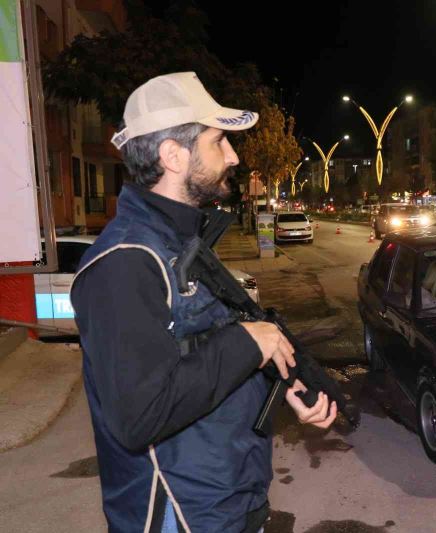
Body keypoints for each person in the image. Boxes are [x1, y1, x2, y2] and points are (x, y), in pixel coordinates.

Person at [70, 72, 336, 533]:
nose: (233, 156)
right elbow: (140, 415)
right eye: (218, 142)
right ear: (173, 155)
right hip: (181, 511)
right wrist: (248, 344)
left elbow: (197, 349)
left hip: (226, 495)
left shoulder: (178, 241)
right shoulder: (126, 263)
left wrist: (279, 382)